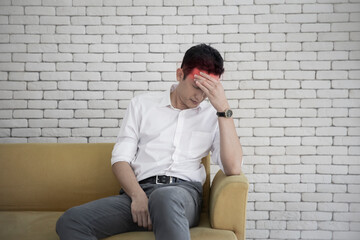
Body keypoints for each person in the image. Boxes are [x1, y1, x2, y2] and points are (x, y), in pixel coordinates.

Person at [56, 43, 243, 240]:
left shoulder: (213, 115)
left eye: (207, 91)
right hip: (139, 193)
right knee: (71, 220)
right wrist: (137, 197)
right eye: (196, 86)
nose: (200, 96)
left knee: (165, 197)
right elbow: (120, 160)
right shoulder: (142, 105)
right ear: (180, 74)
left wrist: (223, 109)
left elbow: (232, 168)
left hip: (182, 197)